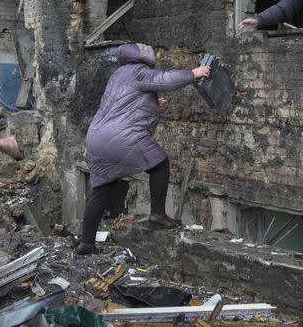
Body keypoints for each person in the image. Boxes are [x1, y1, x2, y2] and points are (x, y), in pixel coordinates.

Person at [76, 43, 211, 255]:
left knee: (101, 190)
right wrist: (194, 73)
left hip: (96, 137)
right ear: (143, 57)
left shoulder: (118, 74)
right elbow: (165, 80)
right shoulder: (139, 71)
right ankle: (157, 214)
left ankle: (86, 243)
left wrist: (154, 104)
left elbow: (124, 104)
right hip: (121, 136)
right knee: (159, 164)